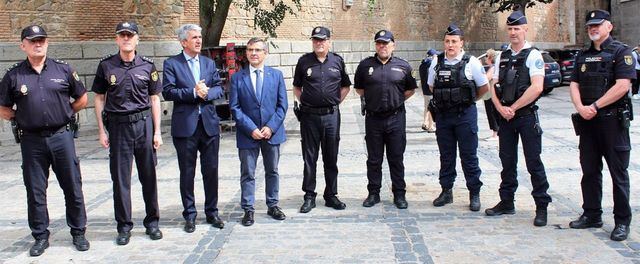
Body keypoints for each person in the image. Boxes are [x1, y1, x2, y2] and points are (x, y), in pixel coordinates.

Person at [0, 25, 90, 256]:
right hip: (32, 141)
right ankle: (40, 236)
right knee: (36, 190)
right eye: (32, 41)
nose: (38, 44)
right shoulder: (14, 75)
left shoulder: (63, 69)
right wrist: (21, 117)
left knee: (72, 186)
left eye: (42, 40)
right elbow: (3, 107)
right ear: (23, 46)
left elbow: (82, 98)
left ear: (47, 43)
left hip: (62, 137)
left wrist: (65, 112)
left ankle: (78, 232)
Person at [92, 21, 163, 245]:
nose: (126, 39)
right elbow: (99, 98)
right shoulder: (106, 67)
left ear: (137, 39)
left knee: (149, 177)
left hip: (143, 125)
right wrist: (102, 131)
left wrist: (158, 131)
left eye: (130, 35)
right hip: (118, 127)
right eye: (122, 35)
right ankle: (124, 226)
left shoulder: (147, 66)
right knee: (121, 179)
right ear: (116, 39)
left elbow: (154, 99)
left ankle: (152, 223)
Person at [568, 10, 636, 241]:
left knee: (618, 173)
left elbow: (622, 86)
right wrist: (580, 107)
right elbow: (574, 83)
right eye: (589, 27)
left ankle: (621, 222)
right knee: (589, 171)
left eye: (597, 25)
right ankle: (591, 214)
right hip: (588, 122)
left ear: (609, 27)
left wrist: (595, 106)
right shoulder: (583, 55)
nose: (593, 29)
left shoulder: (621, 52)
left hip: (612, 122)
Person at [485, 11, 552, 227]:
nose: (513, 32)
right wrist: (498, 107)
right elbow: (493, 85)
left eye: (517, 28)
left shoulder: (533, 55)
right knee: (507, 162)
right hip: (506, 119)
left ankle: (541, 206)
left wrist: (512, 107)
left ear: (525, 29)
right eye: (510, 29)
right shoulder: (502, 56)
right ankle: (507, 201)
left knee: (534, 162)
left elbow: (537, 87)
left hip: (525, 117)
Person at [162, 24, 225, 233]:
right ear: (183, 42)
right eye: (194, 38)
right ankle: (189, 214)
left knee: (211, 171)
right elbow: (168, 92)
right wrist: (193, 92)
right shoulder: (172, 64)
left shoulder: (208, 63)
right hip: (185, 126)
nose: (199, 41)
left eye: (200, 37)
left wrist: (207, 93)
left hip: (209, 126)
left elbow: (220, 87)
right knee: (187, 173)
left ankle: (212, 211)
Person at [427, 24, 489, 211]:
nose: (450, 45)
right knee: (446, 156)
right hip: (444, 116)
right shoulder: (436, 62)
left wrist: (467, 100)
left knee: (469, 156)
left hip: (465, 115)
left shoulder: (472, 62)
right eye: (447, 41)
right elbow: (431, 87)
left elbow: (484, 88)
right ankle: (446, 191)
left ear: (462, 43)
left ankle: (474, 193)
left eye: (454, 41)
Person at [354, 30, 417, 209]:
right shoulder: (365, 65)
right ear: (376, 45)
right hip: (373, 119)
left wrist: (395, 100)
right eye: (379, 43)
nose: (382, 46)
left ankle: (399, 194)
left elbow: (410, 89)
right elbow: (359, 88)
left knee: (396, 157)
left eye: (386, 43)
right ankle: (374, 193)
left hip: (396, 118)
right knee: (374, 159)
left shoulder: (403, 66)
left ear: (393, 45)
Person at [229, 37, 288, 226]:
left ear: (265, 53)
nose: (253, 53)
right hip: (248, 134)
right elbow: (235, 107)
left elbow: (282, 105)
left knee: (272, 171)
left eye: (257, 50)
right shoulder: (238, 78)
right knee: (248, 173)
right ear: (246, 53)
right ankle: (248, 209)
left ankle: (273, 205)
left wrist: (270, 127)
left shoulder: (276, 75)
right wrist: (251, 128)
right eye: (250, 50)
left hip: (272, 133)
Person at [293, 26, 351, 213]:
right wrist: (308, 103)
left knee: (331, 157)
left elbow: (346, 86)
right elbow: (297, 87)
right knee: (310, 158)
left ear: (329, 41)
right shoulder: (304, 62)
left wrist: (334, 103)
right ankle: (309, 196)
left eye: (322, 39)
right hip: (309, 117)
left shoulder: (337, 61)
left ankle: (331, 195)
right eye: (315, 39)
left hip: (331, 116)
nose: (319, 42)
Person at [419, 48, 438, 133]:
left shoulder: (422, 64)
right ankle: (431, 126)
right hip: (430, 88)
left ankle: (425, 123)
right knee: (432, 107)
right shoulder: (431, 64)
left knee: (427, 107)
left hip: (424, 89)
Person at [482, 49, 499, 141]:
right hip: (490, 95)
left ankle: (495, 134)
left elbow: (486, 79)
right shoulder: (492, 67)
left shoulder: (493, 68)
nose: (485, 58)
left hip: (491, 95)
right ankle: (495, 133)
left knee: (492, 113)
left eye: (486, 56)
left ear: (490, 57)